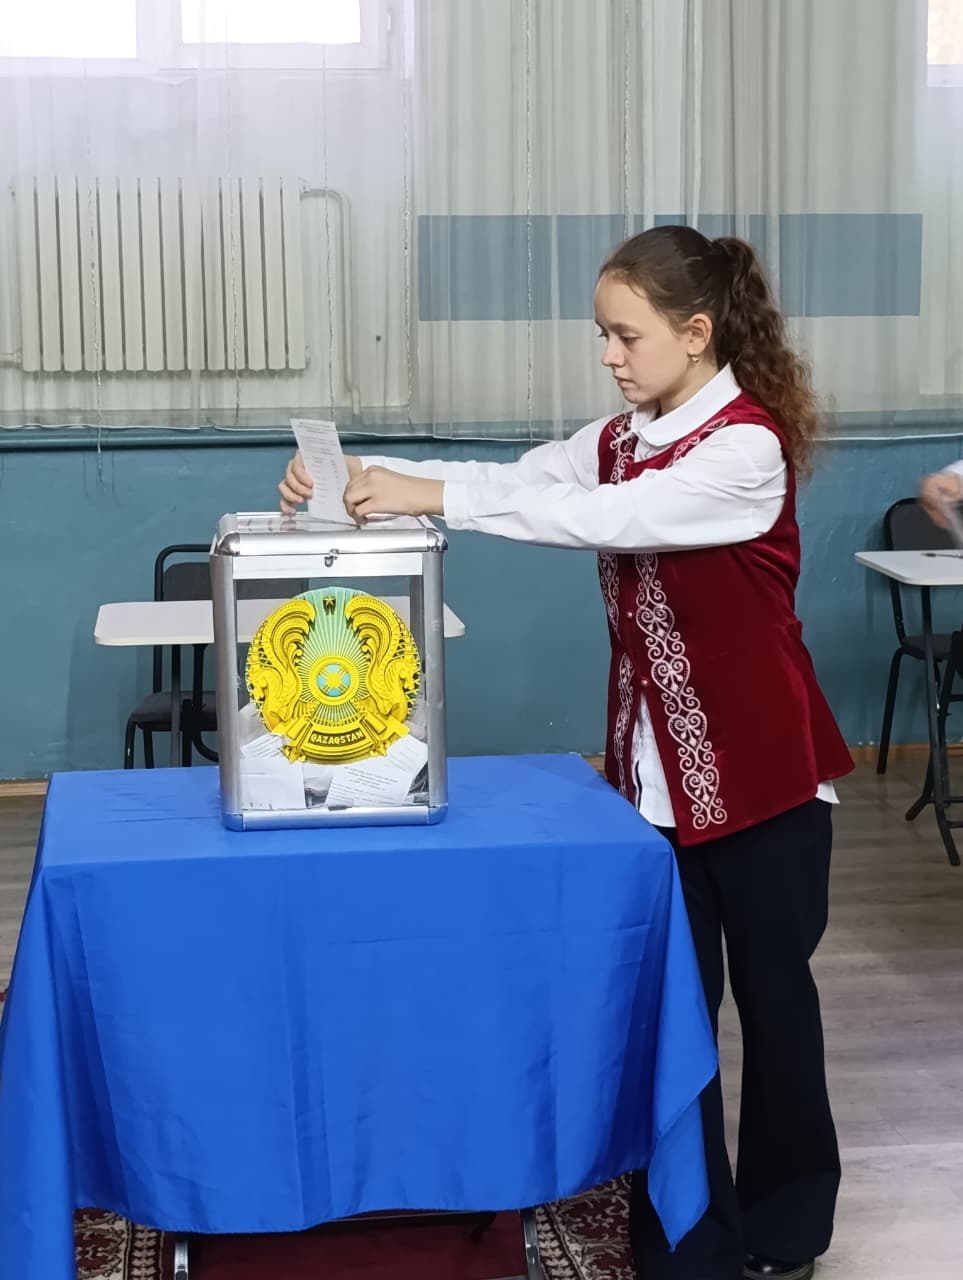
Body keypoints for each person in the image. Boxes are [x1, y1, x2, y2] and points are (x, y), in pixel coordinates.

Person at [279, 225, 854, 1280]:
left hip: (769, 780)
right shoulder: (623, 435)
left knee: (777, 1010)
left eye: (626, 336)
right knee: (674, 1012)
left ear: (696, 332)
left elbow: (604, 518)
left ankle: (789, 1221)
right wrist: (370, 473)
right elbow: (521, 476)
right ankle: (690, 1231)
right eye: (603, 334)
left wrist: (424, 496)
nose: (608, 356)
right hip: (656, 781)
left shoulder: (745, 449)